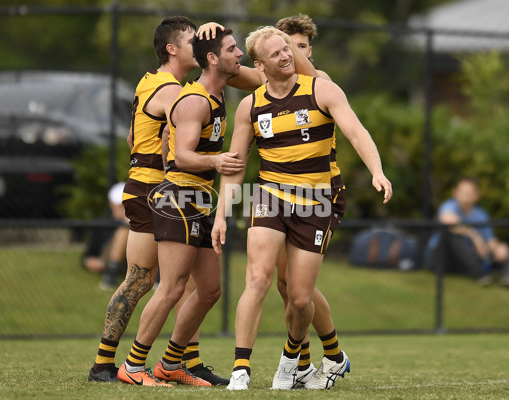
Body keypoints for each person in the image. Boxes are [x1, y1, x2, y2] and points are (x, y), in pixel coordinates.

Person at [212, 26, 392, 390]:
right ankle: (240, 370)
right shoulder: (251, 106)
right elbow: (235, 166)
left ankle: (292, 359)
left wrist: (377, 171)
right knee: (258, 279)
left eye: (289, 49)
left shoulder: (322, 90)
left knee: (298, 296)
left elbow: (356, 132)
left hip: (317, 200)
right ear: (260, 65)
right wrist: (221, 215)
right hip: (270, 196)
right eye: (278, 52)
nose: (287, 55)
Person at [87, 17, 229, 386]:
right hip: (154, 190)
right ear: (171, 49)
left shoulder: (162, 82)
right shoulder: (171, 90)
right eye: (191, 40)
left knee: (186, 284)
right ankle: (107, 364)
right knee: (144, 281)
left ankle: (183, 362)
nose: (198, 45)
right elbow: (179, 134)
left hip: (166, 189)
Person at [270, 14, 348, 388]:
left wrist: (279, 45)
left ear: (309, 50)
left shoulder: (322, 82)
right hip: (282, 194)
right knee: (285, 285)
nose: (289, 56)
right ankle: (309, 363)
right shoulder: (273, 82)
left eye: (298, 47)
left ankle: (331, 355)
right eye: (283, 48)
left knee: (300, 287)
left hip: (323, 191)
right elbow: (236, 74)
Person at [426, 177, 509, 285]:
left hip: (468, 259)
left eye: (470, 192)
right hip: (442, 258)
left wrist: (498, 248)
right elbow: (448, 221)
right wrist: (474, 236)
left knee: (503, 248)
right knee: (452, 233)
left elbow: (491, 241)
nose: (466, 195)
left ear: (477, 195)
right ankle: (480, 274)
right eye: (463, 192)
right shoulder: (449, 206)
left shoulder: (481, 215)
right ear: (455, 192)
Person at [81, 182, 130, 290]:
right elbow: (88, 256)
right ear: (111, 204)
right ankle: (111, 273)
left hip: (133, 259)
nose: (123, 208)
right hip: (108, 260)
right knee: (124, 230)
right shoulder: (102, 224)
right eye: (120, 206)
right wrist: (92, 263)